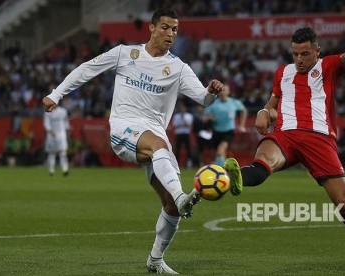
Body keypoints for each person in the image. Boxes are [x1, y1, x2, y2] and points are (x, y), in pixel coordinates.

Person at [42, 8, 223, 274]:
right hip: (124, 129)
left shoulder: (178, 68)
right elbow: (87, 69)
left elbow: (203, 99)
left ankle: (156, 260)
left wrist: (211, 92)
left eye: (175, 29)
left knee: (171, 207)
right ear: (151, 28)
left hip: (154, 137)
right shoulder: (125, 54)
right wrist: (56, 94)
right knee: (166, 164)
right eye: (165, 27)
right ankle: (183, 195)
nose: (170, 33)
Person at [224, 5, 345, 274]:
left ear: (317, 52)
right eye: (295, 54)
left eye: (305, 53)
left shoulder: (329, 65)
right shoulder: (282, 73)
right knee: (264, 162)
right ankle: (231, 179)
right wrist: (262, 111)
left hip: (320, 139)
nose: (300, 59)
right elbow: (271, 106)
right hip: (287, 135)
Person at [204, 84, 247, 167]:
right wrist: (210, 118)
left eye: (225, 90)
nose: (223, 92)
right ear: (219, 92)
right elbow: (204, 118)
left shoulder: (234, 103)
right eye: (222, 90)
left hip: (229, 131)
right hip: (216, 131)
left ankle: (217, 169)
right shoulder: (214, 104)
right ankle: (223, 171)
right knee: (220, 154)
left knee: (220, 151)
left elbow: (243, 111)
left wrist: (242, 125)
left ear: (228, 92)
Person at [43, 105, 70, 176]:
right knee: (52, 153)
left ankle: (65, 170)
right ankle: (51, 171)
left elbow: (66, 123)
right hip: (51, 134)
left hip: (61, 134)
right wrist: (50, 131)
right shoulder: (47, 111)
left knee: (63, 152)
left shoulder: (63, 111)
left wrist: (67, 133)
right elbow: (46, 123)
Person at [171, 102, 193, 167]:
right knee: (178, 148)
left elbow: (190, 126)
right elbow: (175, 125)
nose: (182, 110)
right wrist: (183, 124)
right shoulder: (176, 116)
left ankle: (189, 162)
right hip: (179, 134)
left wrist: (185, 124)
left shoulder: (189, 116)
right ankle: (176, 163)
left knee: (188, 148)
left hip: (186, 133)